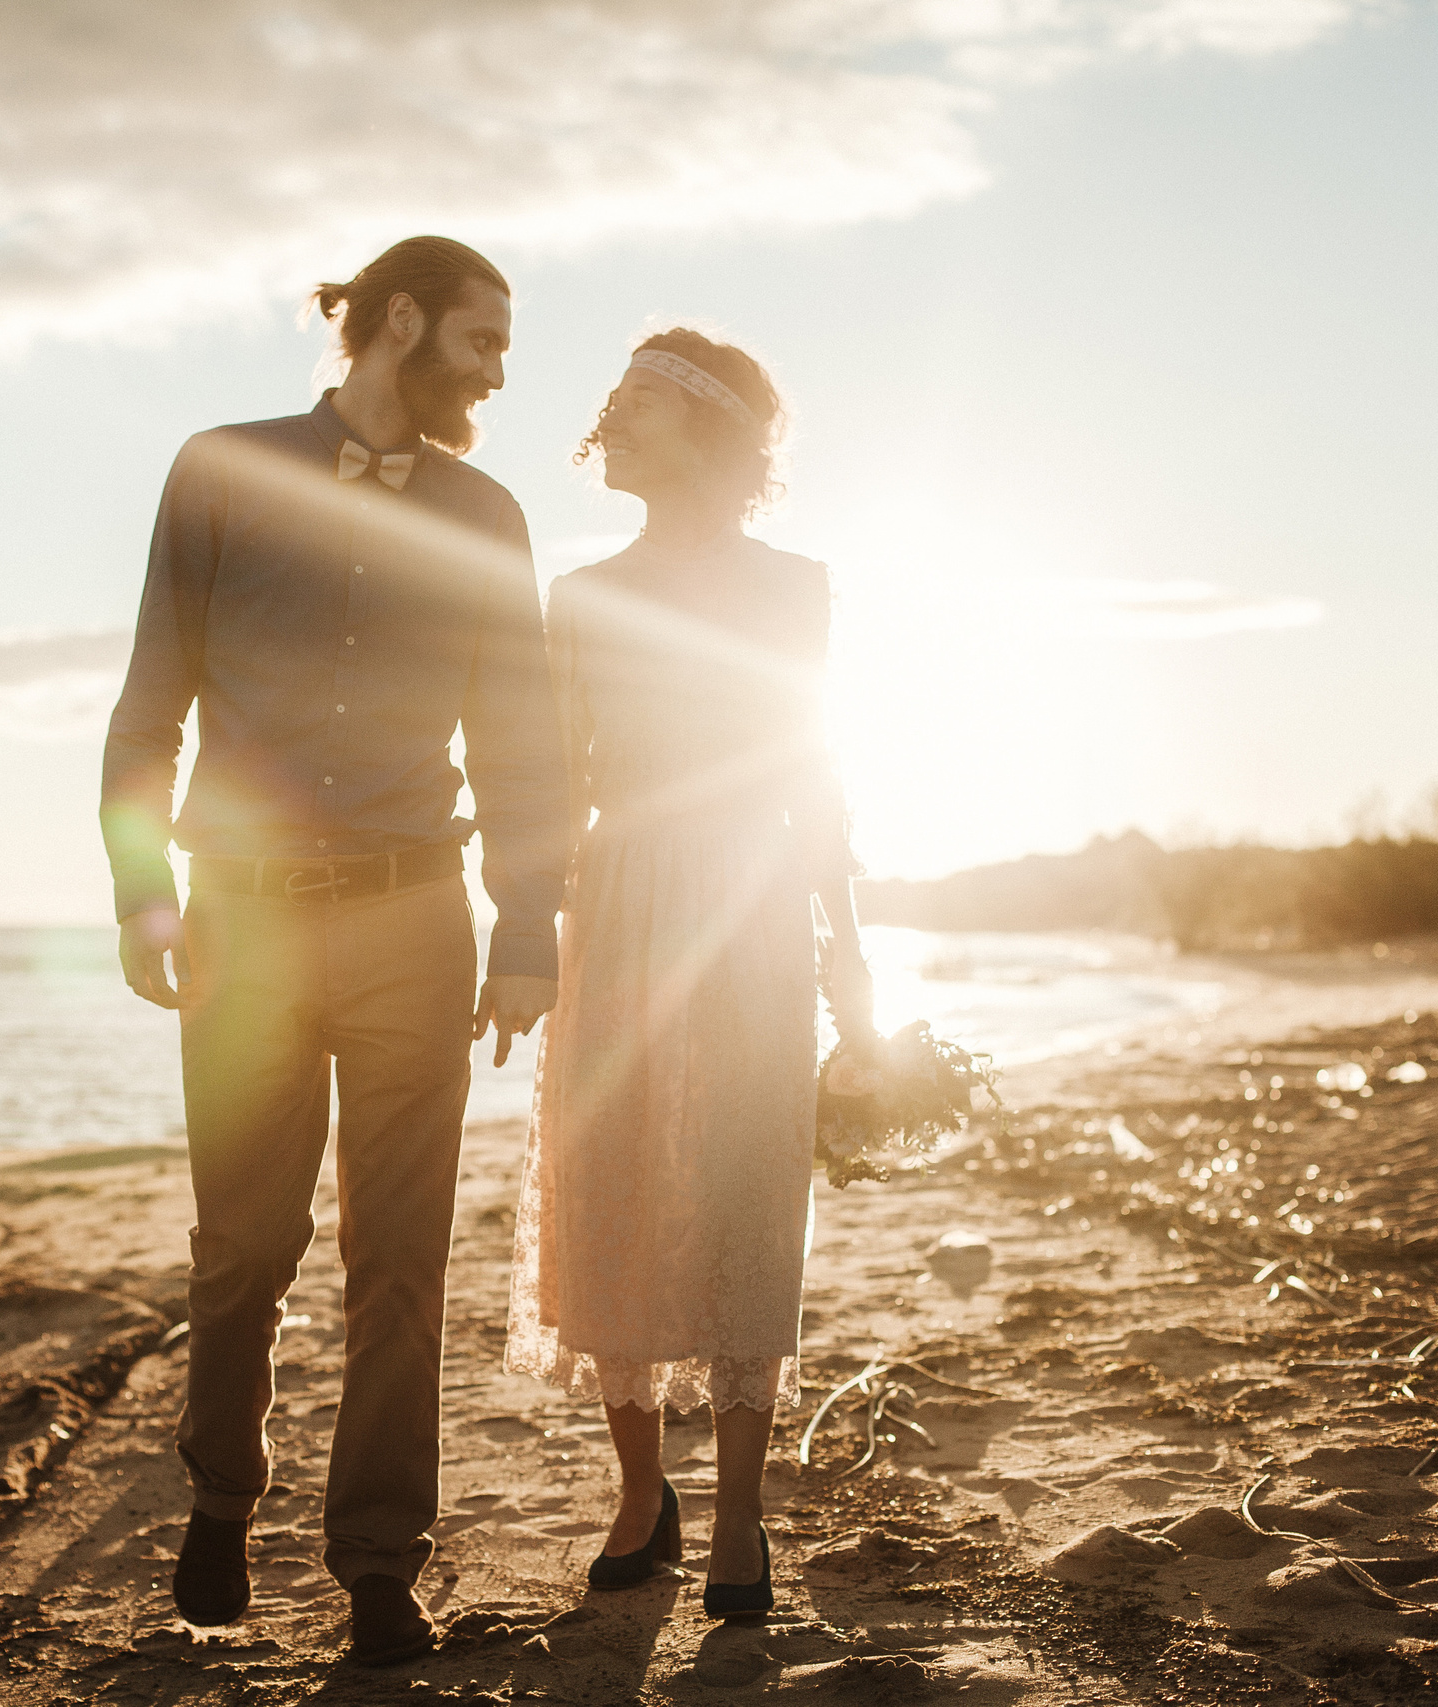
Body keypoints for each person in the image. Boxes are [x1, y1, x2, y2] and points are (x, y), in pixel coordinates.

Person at [100, 235, 567, 1666]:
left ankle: (378, 1568)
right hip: (238, 920)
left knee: (401, 1262)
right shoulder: (220, 470)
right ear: (402, 322)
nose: (499, 371)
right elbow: (148, 706)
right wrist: (140, 896)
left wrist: (529, 926)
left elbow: (522, 739)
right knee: (246, 1247)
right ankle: (223, 1495)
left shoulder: (488, 515)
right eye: (483, 342)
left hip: (416, 921)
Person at [503, 327, 873, 1618]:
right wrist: (519, 949)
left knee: (741, 1192)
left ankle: (742, 1519)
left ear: (712, 434)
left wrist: (855, 969)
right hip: (616, 903)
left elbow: (811, 774)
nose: (609, 420)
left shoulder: (794, 589)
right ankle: (640, 1492)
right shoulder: (583, 598)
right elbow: (550, 787)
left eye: (641, 403)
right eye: (612, 399)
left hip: (751, 904)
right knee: (612, 1183)